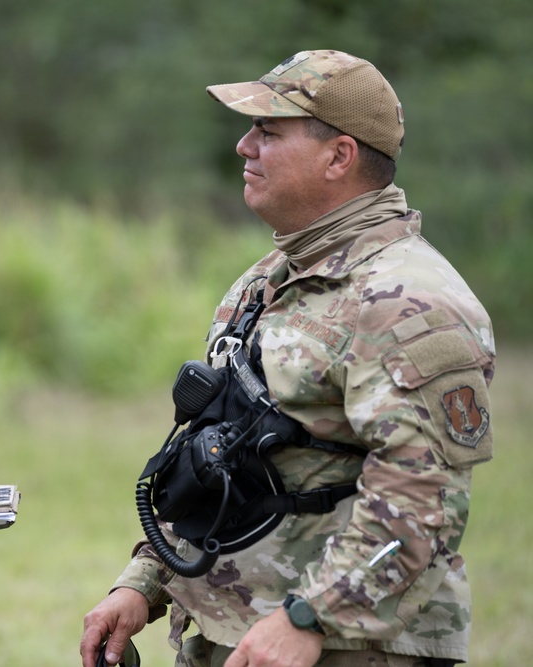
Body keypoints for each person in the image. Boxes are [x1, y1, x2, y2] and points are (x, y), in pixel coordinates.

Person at [80, 50, 495, 667]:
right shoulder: (268, 280)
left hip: (346, 646)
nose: (245, 147)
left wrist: (311, 616)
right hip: (240, 631)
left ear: (339, 156)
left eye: (268, 132)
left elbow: (422, 504)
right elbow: (220, 450)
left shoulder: (409, 299)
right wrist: (146, 580)